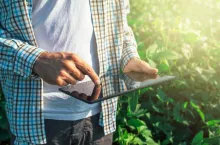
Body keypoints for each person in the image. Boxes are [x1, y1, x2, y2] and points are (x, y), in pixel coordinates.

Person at [0, 0, 158, 145]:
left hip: (101, 119)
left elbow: (119, 23)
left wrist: (128, 57)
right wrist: (35, 60)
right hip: (37, 122)